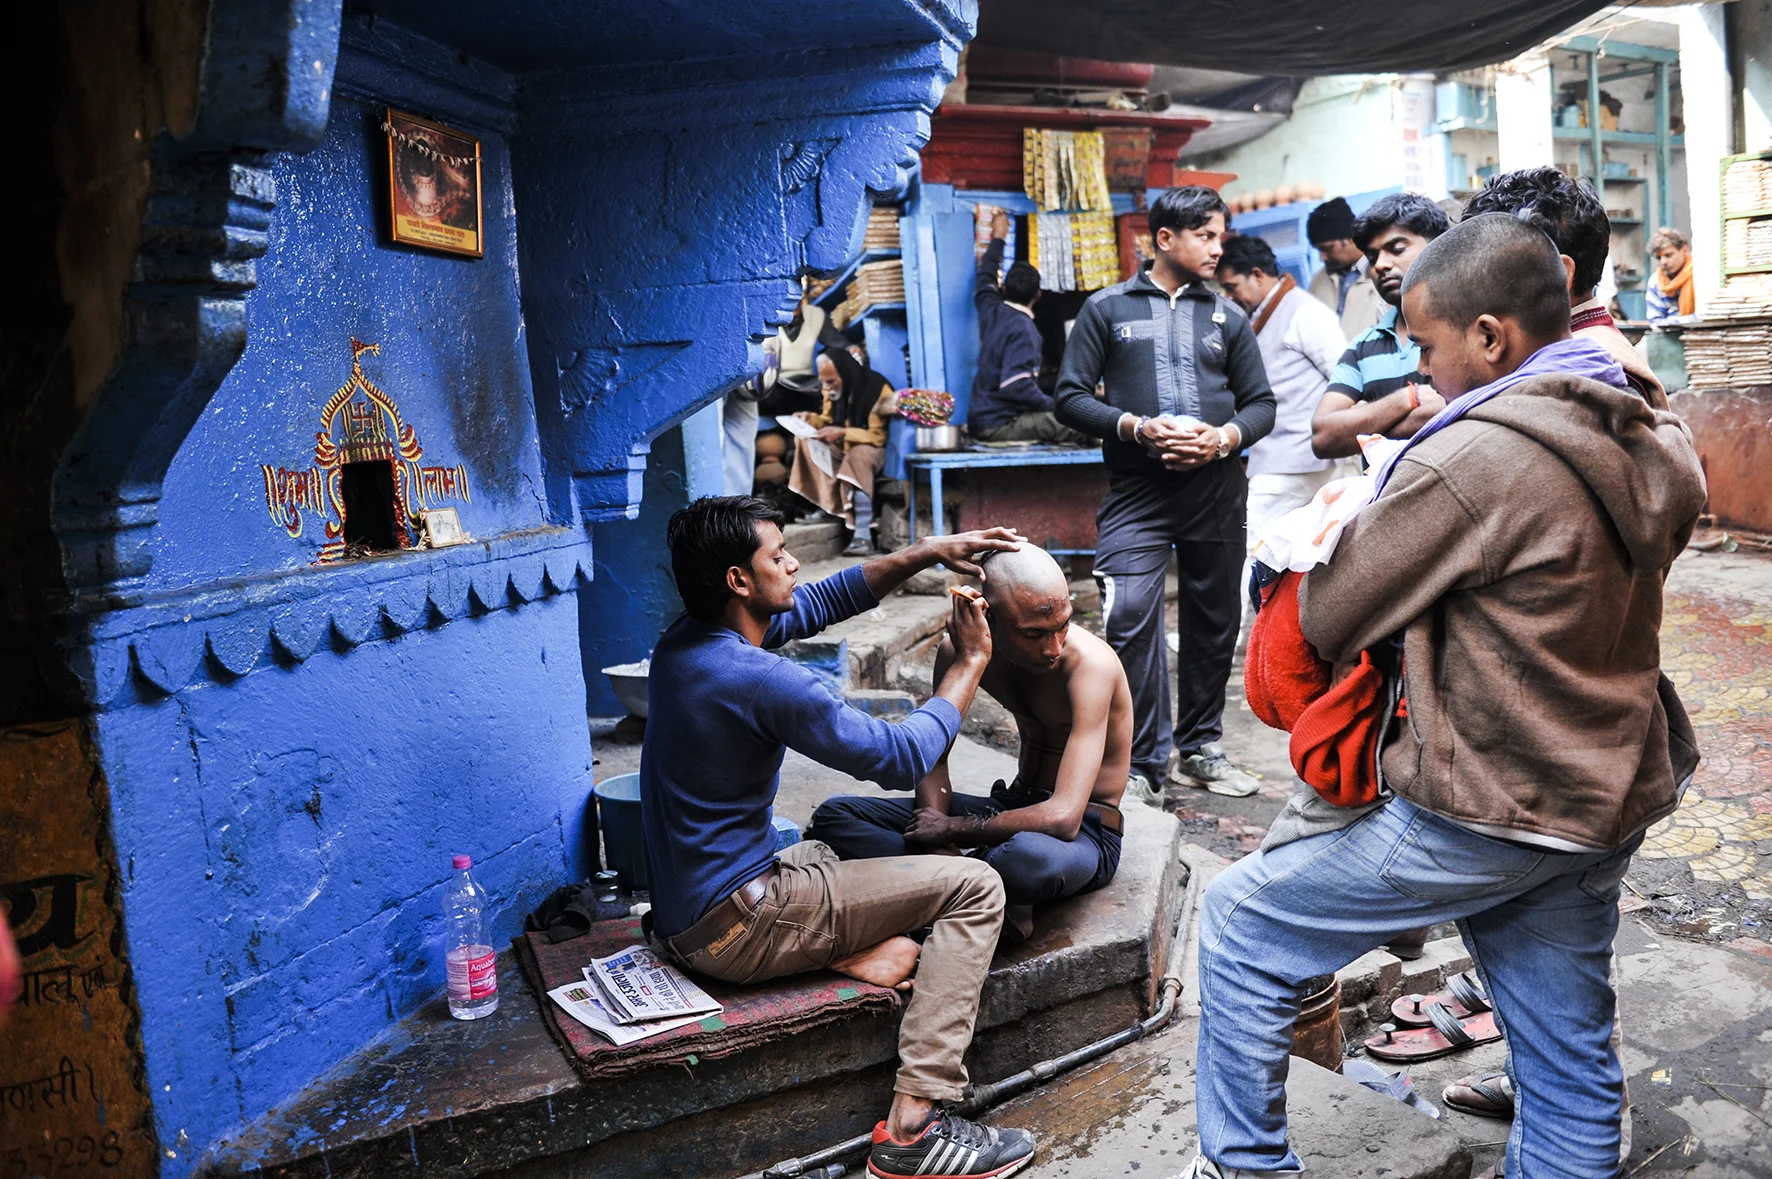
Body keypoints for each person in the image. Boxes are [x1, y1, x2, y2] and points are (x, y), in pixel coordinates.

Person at [1181, 214, 1704, 1179]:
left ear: (1491, 336)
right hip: (1607, 785)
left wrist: (1345, 518)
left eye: (1427, 346)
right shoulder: (1642, 422)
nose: (1421, 368)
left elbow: (1332, 609)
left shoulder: (1472, 457)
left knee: (1244, 923)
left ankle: (1244, 1165)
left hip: (1490, 800)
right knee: (1566, 1061)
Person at [643, 498, 1037, 1179]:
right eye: (778, 556)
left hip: (685, 916)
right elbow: (900, 756)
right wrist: (969, 663)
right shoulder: (762, 679)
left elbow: (822, 600)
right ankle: (915, 1125)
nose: (795, 564)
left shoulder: (686, 642)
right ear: (739, 580)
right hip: (738, 925)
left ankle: (856, 954)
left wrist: (926, 551)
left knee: (828, 843)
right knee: (977, 886)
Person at [1053, 185, 1277, 801]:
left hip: (1217, 491)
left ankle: (1200, 749)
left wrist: (1223, 439)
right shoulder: (1106, 309)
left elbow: (1261, 404)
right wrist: (1136, 426)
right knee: (1127, 614)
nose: (1217, 247)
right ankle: (1142, 762)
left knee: (1215, 621)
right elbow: (1069, 396)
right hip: (1137, 493)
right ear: (1165, 239)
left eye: (1219, 235)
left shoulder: (1228, 316)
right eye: (1205, 235)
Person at [809, 545, 1136, 939]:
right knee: (836, 816)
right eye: (1033, 634)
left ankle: (943, 884)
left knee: (1026, 859)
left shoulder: (1091, 666)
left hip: (1083, 831)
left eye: (1063, 625)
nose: (1053, 648)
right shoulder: (963, 653)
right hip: (1013, 806)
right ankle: (968, 885)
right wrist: (937, 833)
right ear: (986, 614)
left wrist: (952, 829)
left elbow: (1064, 818)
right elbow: (934, 756)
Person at [1215, 234, 1348, 605]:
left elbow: (1344, 378)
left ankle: (1237, 635)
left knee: (1254, 551)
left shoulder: (1304, 312)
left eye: (1232, 286)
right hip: (1283, 457)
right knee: (1281, 558)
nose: (1229, 296)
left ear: (1257, 275)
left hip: (1295, 458)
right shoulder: (1265, 313)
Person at [1466, 166, 1666, 409]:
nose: (1475, 288)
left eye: (1488, 269)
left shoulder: (1591, 373)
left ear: (1558, 275)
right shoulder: (1563, 353)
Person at [1309, 193, 1451, 460]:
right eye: (1372, 257)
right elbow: (1323, 436)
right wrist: (1408, 398)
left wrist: (1364, 422)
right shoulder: (1363, 346)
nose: (1380, 265)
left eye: (1396, 249)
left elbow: (1463, 407)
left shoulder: (1465, 326)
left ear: (1438, 247)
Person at [970, 209, 1090, 444]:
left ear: (1004, 289)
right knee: (1084, 425)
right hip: (1000, 425)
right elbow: (1016, 387)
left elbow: (985, 276)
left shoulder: (991, 309)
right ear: (1038, 295)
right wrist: (1057, 406)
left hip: (981, 419)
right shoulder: (1024, 330)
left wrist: (999, 236)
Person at [721, 289, 846, 496]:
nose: (794, 307)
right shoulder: (766, 315)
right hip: (771, 385)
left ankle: (740, 497)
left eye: (798, 301)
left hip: (803, 387)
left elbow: (837, 344)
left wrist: (849, 351)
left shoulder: (815, 316)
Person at [787, 349, 896, 555]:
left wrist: (844, 432)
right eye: (823, 382)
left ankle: (863, 534)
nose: (826, 388)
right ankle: (830, 506)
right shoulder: (833, 390)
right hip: (844, 447)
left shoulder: (876, 389)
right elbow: (828, 420)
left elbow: (877, 436)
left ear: (846, 374)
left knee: (858, 454)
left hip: (874, 452)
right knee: (807, 441)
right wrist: (810, 419)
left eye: (831, 382)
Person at [1305, 197, 1386, 338]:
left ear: (1350, 239)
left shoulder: (1382, 272)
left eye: (1326, 249)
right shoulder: (1318, 281)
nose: (1322, 258)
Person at [1646, 226, 1694, 322]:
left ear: (1684, 250)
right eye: (1658, 258)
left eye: (1668, 255)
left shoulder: (1699, 275)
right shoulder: (1656, 282)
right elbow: (1655, 321)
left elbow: (1705, 315)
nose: (1663, 262)